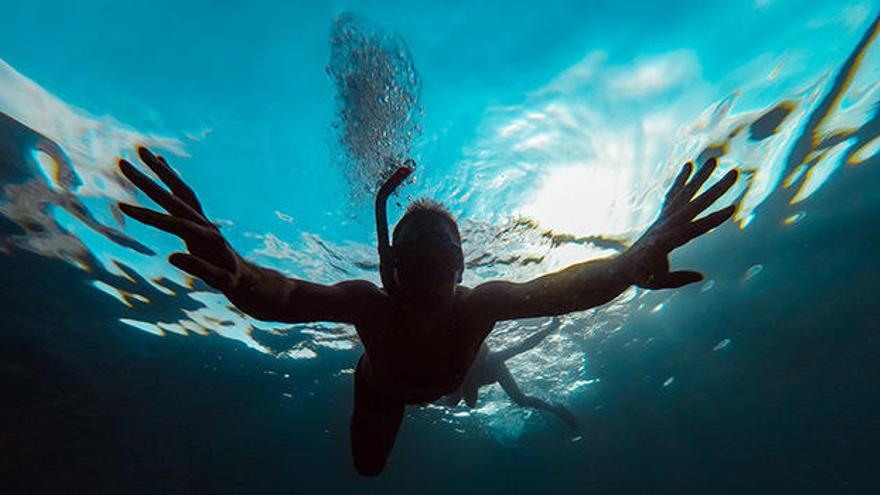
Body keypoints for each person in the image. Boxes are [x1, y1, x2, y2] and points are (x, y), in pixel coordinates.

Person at [117, 146, 737, 476]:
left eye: (445, 247)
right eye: (413, 247)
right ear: (391, 263)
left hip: (428, 382)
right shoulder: (367, 302)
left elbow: (569, 287)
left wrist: (628, 265)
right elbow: (284, 297)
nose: (430, 259)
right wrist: (238, 272)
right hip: (380, 392)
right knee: (367, 471)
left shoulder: (484, 306)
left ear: (463, 266)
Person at [437, 317, 578, 429]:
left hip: (495, 370)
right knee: (456, 401)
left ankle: (556, 410)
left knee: (521, 400)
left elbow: (523, 346)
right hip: (473, 374)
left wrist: (550, 329)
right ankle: (556, 410)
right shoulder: (461, 370)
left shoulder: (491, 360)